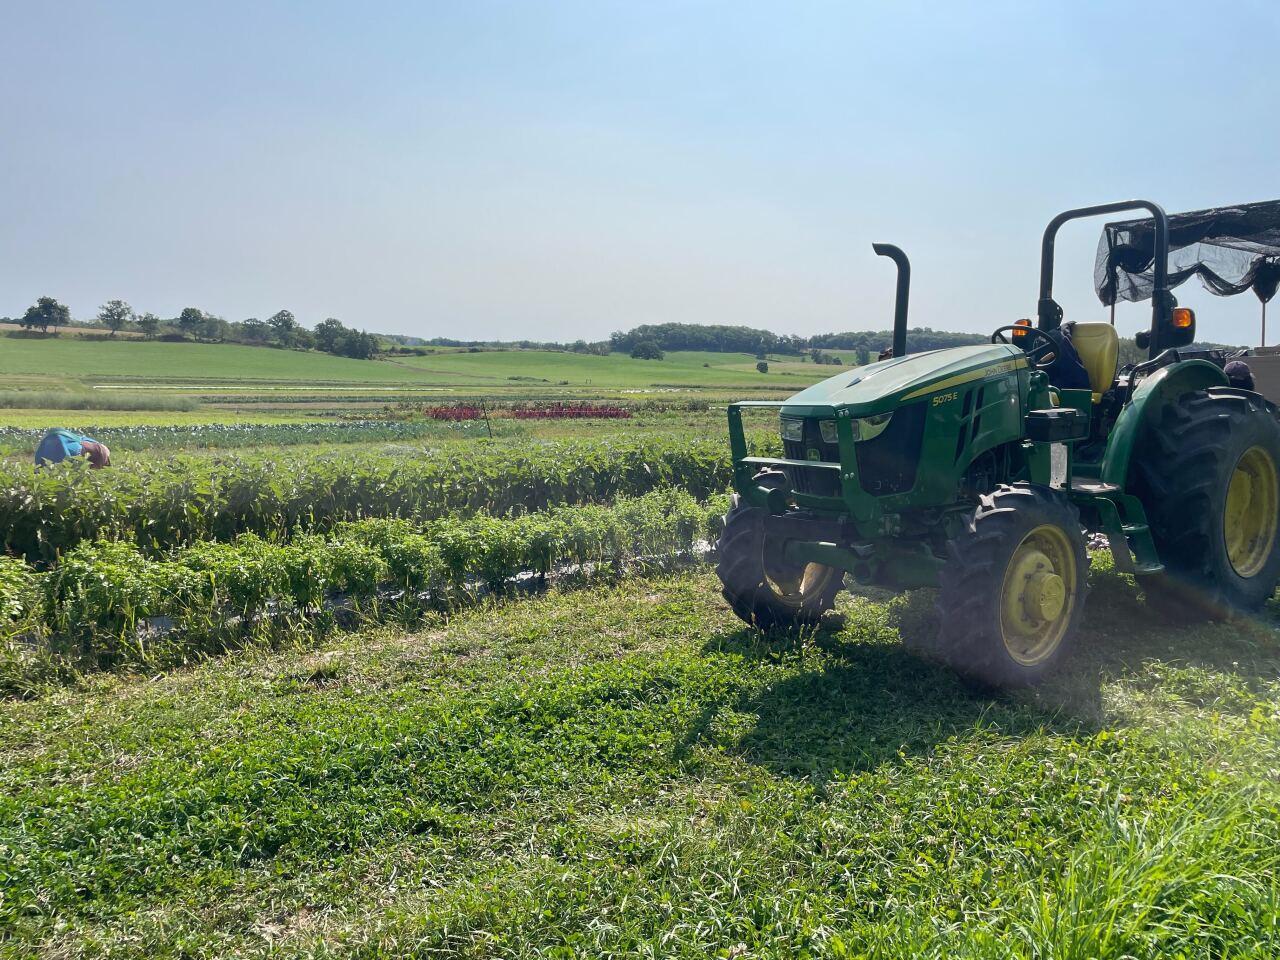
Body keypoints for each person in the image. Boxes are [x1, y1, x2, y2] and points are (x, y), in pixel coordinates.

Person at [34, 429, 111, 468]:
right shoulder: (42, 451)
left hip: (101, 452)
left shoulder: (62, 451)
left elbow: (68, 467)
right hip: (84, 446)